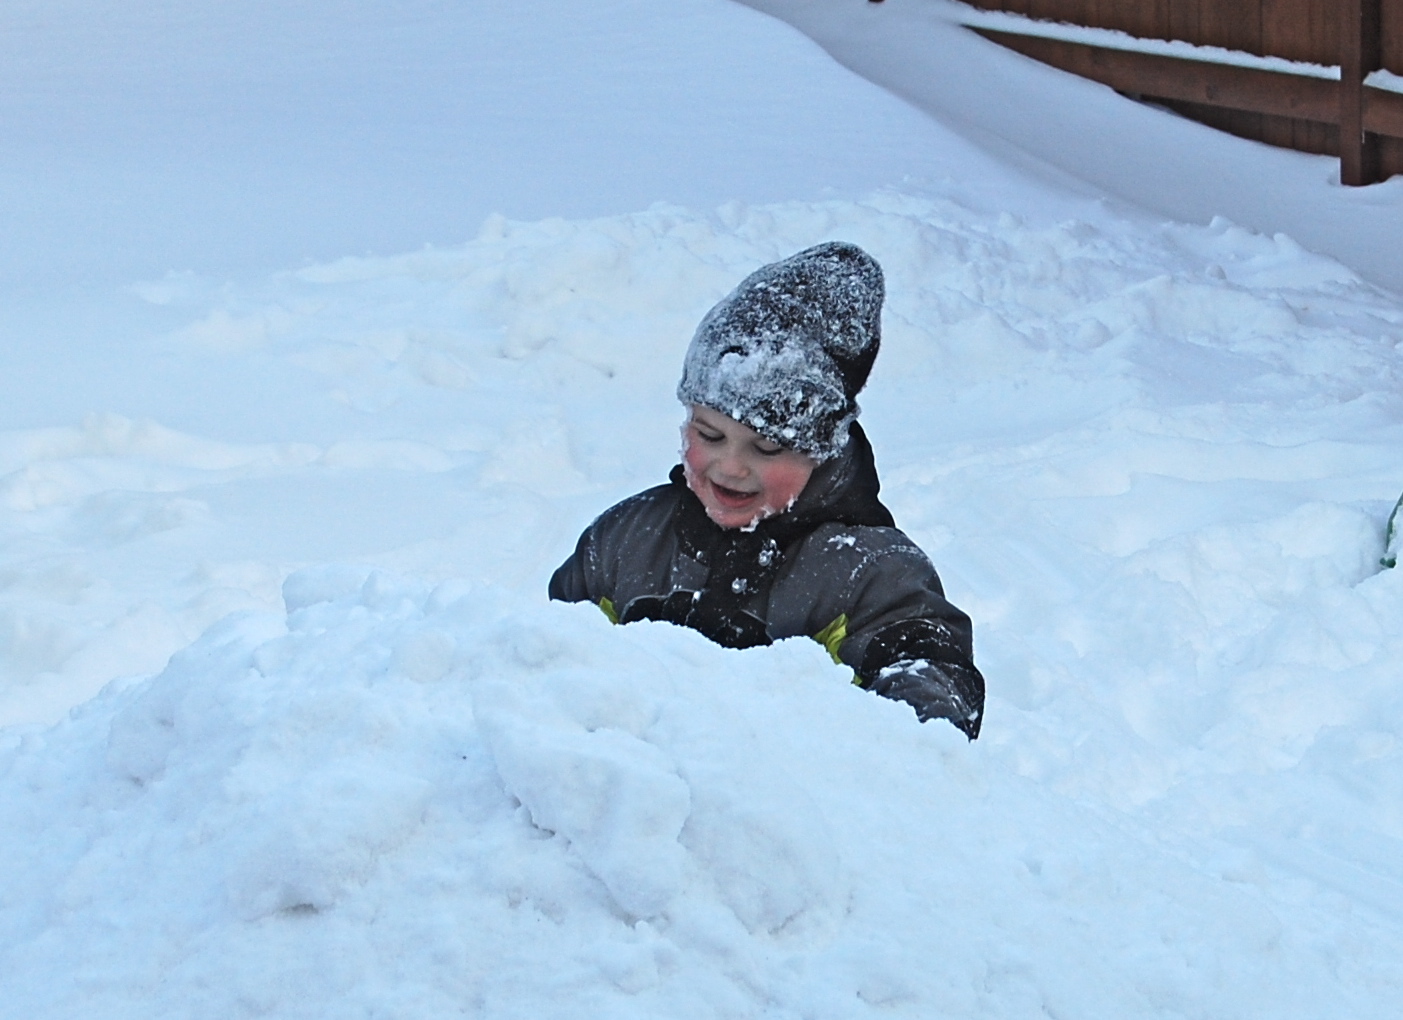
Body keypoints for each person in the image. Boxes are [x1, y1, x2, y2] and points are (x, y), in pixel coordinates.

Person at [549, 242, 985, 738]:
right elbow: (545, 655)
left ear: (821, 451)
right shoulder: (627, 541)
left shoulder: (866, 572)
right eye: (708, 435)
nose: (730, 467)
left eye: (767, 448)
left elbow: (926, 666)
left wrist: (915, 720)